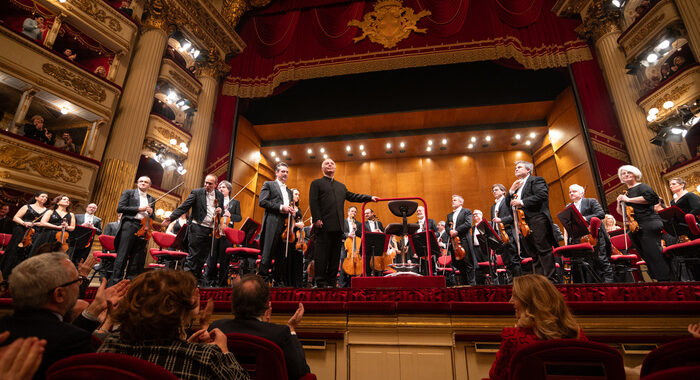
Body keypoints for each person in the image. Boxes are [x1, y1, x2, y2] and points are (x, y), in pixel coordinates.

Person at [98, 270, 248, 380]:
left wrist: (187, 345)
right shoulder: (206, 356)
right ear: (182, 310)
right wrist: (224, 350)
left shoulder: (111, 344)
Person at [0, 252, 129, 380]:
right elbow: (63, 334)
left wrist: (95, 308)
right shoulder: (73, 342)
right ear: (59, 294)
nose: (80, 285)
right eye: (77, 280)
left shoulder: (4, 328)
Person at [209, 274, 310, 380]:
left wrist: (265, 326)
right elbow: (300, 371)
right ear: (266, 303)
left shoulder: (216, 329)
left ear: (233, 301)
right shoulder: (280, 334)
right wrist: (291, 328)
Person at [489, 274, 584, 380]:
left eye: (515, 296)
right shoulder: (576, 334)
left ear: (529, 303)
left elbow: (496, 377)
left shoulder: (515, 339)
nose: (510, 301)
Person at [308, 158, 377, 288]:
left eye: (332, 163)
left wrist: (370, 198)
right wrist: (316, 219)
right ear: (322, 168)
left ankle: (331, 283)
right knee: (322, 256)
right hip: (323, 226)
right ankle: (321, 282)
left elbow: (354, 196)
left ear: (335, 168)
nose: (329, 165)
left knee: (335, 258)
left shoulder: (341, 186)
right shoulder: (316, 183)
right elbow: (313, 202)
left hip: (338, 228)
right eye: (326, 163)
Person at [163, 174, 224, 282]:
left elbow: (221, 211)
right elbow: (184, 207)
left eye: (210, 183)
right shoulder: (196, 192)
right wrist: (171, 217)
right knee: (193, 256)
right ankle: (186, 282)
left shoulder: (219, 195)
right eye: (206, 182)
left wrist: (221, 211)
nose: (207, 185)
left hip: (210, 229)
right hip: (197, 228)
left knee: (203, 257)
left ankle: (196, 281)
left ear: (216, 184)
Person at [616, 165, 672, 281]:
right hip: (636, 227)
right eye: (623, 173)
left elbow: (653, 199)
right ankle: (659, 280)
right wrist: (619, 202)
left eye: (629, 172)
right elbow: (622, 213)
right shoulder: (626, 193)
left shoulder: (642, 187)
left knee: (654, 254)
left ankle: (667, 280)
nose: (626, 175)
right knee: (647, 255)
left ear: (635, 174)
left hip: (648, 222)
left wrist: (629, 200)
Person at [506, 161, 559, 282]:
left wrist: (522, 202)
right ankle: (539, 281)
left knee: (543, 249)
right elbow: (507, 205)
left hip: (537, 218)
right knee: (533, 253)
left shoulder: (536, 180)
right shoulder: (516, 187)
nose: (516, 169)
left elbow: (542, 195)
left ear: (528, 170)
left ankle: (551, 280)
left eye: (519, 167)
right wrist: (510, 191)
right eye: (515, 168)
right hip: (523, 222)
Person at [254, 163, 295, 286]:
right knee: (268, 251)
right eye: (283, 171)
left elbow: (290, 206)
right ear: (276, 173)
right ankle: (262, 281)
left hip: (285, 223)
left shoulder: (289, 191)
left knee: (282, 254)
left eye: (287, 172)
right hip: (273, 220)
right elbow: (262, 201)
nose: (285, 174)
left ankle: (278, 282)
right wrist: (282, 207)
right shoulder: (269, 184)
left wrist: (292, 210)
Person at [111, 176, 156, 286]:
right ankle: (116, 283)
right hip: (129, 225)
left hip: (143, 228)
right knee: (123, 255)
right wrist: (138, 209)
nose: (143, 183)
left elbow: (153, 217)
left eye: (146, 182)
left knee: (137, 257)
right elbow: (120, 208)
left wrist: (151, 212)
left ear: (149, 186)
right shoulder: (128, 193)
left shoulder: (151, 199)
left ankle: (130, 283)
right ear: (137, 183)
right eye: (141, 181)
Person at [564, 184, 614, 283]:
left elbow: (601, 214)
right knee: (583, 265)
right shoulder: (569, 207)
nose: (571, 193)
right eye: (570, 192)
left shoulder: (591, 201)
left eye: (574, 191)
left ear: (582, 193)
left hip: (595, 237)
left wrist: (584, 218)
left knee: (601, 261)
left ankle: (608, 287)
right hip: (578, 239)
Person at [0, 192, 48, 278]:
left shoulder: (47, 211)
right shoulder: (27, 207)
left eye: (46, 197)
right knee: (15, 251)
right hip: (21, 230)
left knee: (28, 252)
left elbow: (44, 222)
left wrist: (39, 224)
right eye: (43, 196)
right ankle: (7, 274)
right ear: (36, 197)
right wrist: (24, 223)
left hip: (35, 233)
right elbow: (15, 218)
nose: (45, 198)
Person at [204, 180, 243, 287]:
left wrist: (230, 215)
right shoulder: (215, 201)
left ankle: (222, 282)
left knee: (224, 258)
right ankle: (210, 281)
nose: (220, 189)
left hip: (227, 233)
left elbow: (239, 217)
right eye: (219, 187)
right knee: (212, 256)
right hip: (215, 230)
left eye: (223, 187)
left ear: (229, 190)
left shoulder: (235, 203)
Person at [490, 183, 522, 279]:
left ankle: (518, 282)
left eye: (496, 189)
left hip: (509, 232)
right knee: (506, 260)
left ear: (503, 191)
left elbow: (513, 216)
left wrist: (501, 220)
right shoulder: (493, 206)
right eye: (493, 190)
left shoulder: (507, 201)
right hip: (500, 235)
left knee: (514, 259)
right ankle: (510, 282)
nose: (494, 192)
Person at [447, 195, 475, 285]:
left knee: (468, 263)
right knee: (459, 264)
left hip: (464, 240)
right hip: (454, 243)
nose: (452, 201)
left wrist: (456, 231)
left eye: (454, 200)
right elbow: (447, 226)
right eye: (452, 200)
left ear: (460, 202)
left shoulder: (466, 211)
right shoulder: (450, 215)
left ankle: (472, 284)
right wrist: (450, 231)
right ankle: (463, 285)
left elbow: (468, 224)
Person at [284, 189, 305, 288]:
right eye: (296, 194)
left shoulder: (298, 209)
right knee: (290, 260)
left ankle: (298, 284)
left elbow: (299, 219)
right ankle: (289, 284)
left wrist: (301, 224)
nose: (298, 196)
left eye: (299, 194)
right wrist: (297, 224)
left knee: (298, 260)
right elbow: (286, 222)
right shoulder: (288, 207)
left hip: (298, 237)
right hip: (290, 235)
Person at [339, 206, 362, 286]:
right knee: (344, 265)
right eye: (352, 211)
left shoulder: (358, 224)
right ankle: (342, 285)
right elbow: (339, 233)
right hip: (344, 245)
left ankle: (351, 284)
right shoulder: (342, 222)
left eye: (355, 212)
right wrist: (348, 235)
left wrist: (356, 229)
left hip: (355, 247)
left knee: (354, 265)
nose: (353, 213)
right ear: (348, 212)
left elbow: (361, 235)